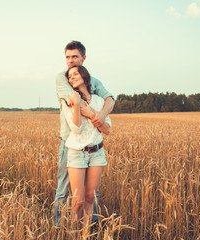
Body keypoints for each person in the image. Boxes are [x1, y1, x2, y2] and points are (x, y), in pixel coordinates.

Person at [54, 41, 115, 226]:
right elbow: (75, 102)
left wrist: (100, 117)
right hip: (70, 142)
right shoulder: (62, 77)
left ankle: (90, 229)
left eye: (74, 57)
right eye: (67, 57)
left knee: (91, 194)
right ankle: (59, 227)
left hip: (94, 146)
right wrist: (92, 114)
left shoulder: (94, 83)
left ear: (83, 58)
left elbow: (110, 99)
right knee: (65, 190)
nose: (70, 61)